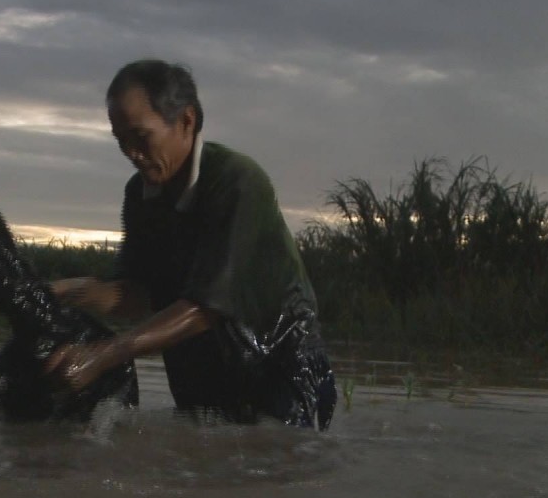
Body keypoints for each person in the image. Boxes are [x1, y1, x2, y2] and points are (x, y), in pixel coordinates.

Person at [44, 59, 336, 429]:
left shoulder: (238, 182)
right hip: (202, 373)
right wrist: (67, 291)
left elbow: (206, 307)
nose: (132, 154)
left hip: (281, 369)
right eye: (121, 141)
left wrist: (103, 356)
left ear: (186, 121)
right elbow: (137, 295)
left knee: (272, 476)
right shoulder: (140, 196)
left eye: (141, 137)